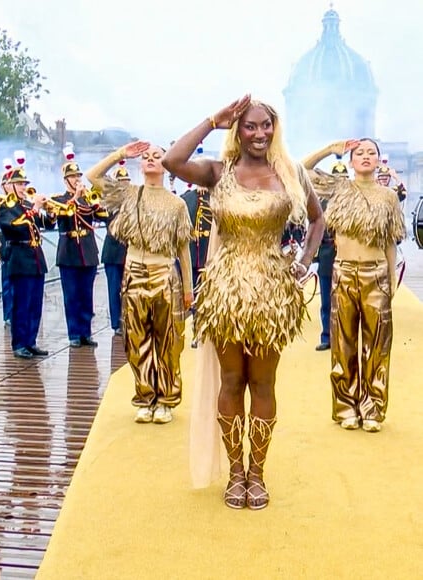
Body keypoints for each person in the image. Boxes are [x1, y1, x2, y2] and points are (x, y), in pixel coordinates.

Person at [162, 95, 324, 509]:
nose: (258, 134)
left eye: (265, 126)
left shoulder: (290, 174)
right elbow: (172, 161)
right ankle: (236, 472)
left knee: (263, 383)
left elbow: (318, 219)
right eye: (249, 126)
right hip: (226, 292)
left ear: (275, 128)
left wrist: (305, 261)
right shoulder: (219, 172)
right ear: (238, 130)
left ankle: (258, 473)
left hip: (272, 293)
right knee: (232, 381)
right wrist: (212, 121)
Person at [86, 141, 193, 424]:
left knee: (168, 341)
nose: (150, 159)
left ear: (167, 163)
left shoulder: (177, 203)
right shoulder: (129, 194)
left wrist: (189, 288)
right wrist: (120, 154)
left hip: (164, 275)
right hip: (133, 272)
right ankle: (145, 397)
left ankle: (167, 400)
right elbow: (93, 177)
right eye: (146, 156)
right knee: (136, 339)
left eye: (157, 156)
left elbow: (183, 248)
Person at [319, 138, 406, 432]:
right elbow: (300, 172)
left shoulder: (388, 197)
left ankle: (373, 409)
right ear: (351, 159)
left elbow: (391, 242)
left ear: (379, 160)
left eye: (371, 153)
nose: (365, 157)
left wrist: (392, 281)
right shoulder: (338, 189)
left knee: (377, 346)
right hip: (343, 272)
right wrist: (330, 149)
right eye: (359, 153)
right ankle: (345, 407)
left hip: (377, 273)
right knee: (343, 345)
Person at [0, 164, 54, 359]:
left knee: (35, 303)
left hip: (35, 258)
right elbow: (14, 227)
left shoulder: (27, 205)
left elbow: (45, 223)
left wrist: (50, 212)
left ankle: (31, 341)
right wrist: (35, 208)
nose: (22, 187)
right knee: (21, 303)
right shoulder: (5, 207)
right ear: (8, 186)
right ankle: (19, 343)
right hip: (19, 256)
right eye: (18, 183)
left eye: (24, 183)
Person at [50, 156, 109, 348]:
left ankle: (86, 332)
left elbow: (102, 216)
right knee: (71, 296)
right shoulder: (59, 199)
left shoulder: (87, 199)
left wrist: (95, 202)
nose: (77, 180)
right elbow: (60, 216)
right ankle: (74, 333)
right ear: (66, 180)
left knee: (86, 295)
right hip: (69, 253)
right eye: (73, 177)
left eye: (78, 176)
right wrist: (75, 197)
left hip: (88, 251)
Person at [301, 146, 354, 351]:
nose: (339, 181)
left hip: (351, 254)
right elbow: (303, 168)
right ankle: (327, 337)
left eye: (343, 177)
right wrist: (329, 150)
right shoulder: (321, 196)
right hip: (327, 253)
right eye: (335, 177)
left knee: (349, 300)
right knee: (326, 300)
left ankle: (347, 338)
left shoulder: (354, 195)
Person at [101, 165, 129, 335]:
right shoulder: (108, 203)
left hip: (129, 253)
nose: (124, 186)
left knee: (129, 289)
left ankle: (128, 319)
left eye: (126, 182)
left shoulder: (133, 202)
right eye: (121, 182)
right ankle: (116, 323)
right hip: (113, 253)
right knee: (114, 289)